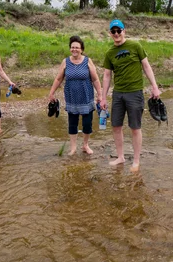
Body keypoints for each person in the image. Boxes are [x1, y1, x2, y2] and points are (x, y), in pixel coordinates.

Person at [100, 19, 161, 172]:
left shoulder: (135, 46)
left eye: (118, 31)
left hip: (135, 92)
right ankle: (120, 157)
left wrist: (154, 87)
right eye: (113, 31)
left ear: (124, 31)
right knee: (116, 126)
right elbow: (107, 75)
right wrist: (102, 97)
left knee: (135, 127)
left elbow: (146, 66)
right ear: (110, 34)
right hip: (118, 94)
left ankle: (136, 161)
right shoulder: (109, 53)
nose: (116, 34)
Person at [47, 36, 103, 156]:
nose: (74, 49)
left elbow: (95, 79)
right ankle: (73, 148)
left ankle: (85, 145)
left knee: (87, 123)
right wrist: (51, 92)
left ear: (81, 49)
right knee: (72, 122)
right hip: (71, 97)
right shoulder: (65, 61)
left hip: (86, 97)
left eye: (77, 47)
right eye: (72, 47)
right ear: (70, 49)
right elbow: (58, 78)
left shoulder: (87, 61)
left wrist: (100, 95)